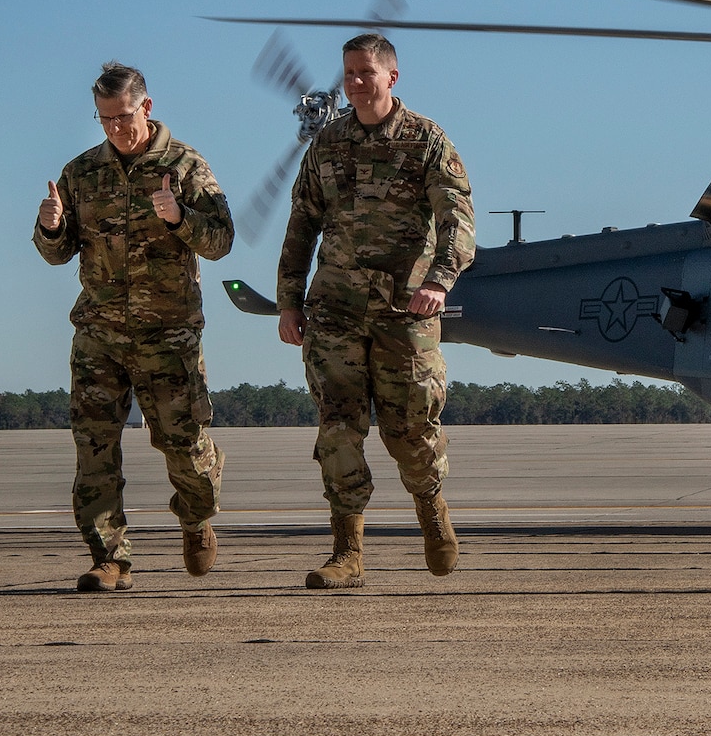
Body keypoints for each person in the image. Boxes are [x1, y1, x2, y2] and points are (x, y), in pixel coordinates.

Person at [277, 33, 475, 589]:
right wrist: (289, 301)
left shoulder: (426, 140)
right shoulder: (326, 145)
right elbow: (300, 227)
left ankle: (432, 511)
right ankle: (347, 553)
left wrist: (440, 280)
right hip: (334, 309)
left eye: (366, 72)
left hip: (403, 310)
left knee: (409, 430)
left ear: (392, 76)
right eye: (349, 74)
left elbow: (457, 218)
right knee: (338, 428)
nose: (356, 83)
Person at [34, 62, 231, 592]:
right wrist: (50, 228)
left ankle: (196, 515)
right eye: (104, 120)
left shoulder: (185, 165)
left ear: (145, 107)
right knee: (93, 446)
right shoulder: (81, 174)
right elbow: (59, 252)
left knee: (183, 444)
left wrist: (178, 218)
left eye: (123, 116)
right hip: (99, 332)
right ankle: (110, 557)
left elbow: (220, 241)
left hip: (168, 335)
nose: (116, 128)